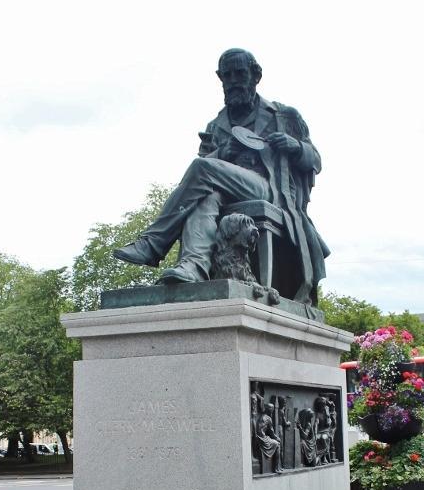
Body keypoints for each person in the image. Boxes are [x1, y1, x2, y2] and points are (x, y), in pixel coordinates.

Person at [112, 48, 329, 304]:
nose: (234, 81)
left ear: (256, 75)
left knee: (202, 168)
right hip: (224, 192)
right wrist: (223, 151)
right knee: (205, 195)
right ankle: (193, 266)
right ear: (220, 78)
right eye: (227, 76)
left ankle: (153, 243)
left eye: (240, 73)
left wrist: (295, 146)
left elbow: (315, 160)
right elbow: (196, 179)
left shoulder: (283, 115)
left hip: (270, 189)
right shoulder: (216, 125)